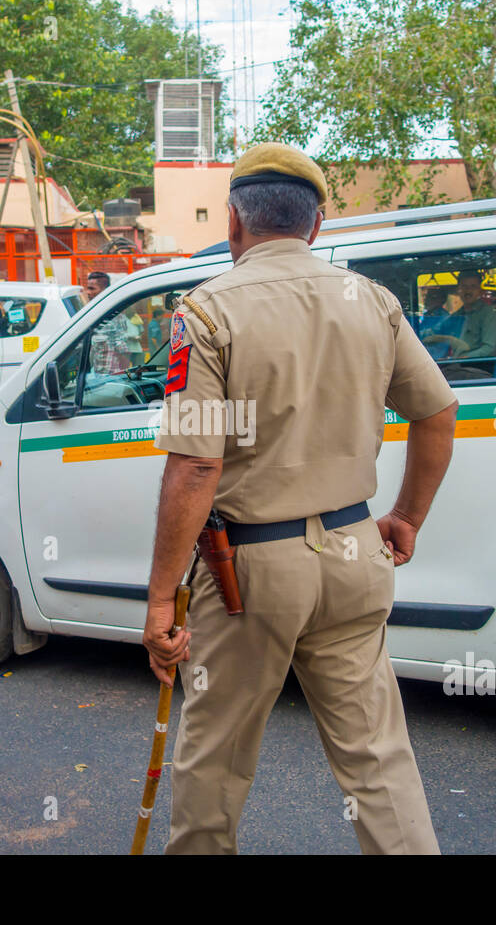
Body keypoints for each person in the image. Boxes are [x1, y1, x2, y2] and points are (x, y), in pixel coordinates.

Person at [145, 142, 459, 854]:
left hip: (249, 572)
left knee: (215, 756)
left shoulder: (205, 311)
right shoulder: (371, 301)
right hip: (356, 553)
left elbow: (197, 466)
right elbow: (437, 413)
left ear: (233, 221)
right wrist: (405, 516)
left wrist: (162, 599)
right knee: (378, 759)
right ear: (317, 224)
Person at [447, 270, 496, 358]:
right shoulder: (457, 315)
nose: (468, 291)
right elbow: (438, 330)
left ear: (480, 290)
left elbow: (489, 349)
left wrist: (464, 358)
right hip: (455, 364)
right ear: (458, 290)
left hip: (478, 367)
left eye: (473, 286)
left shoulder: (490, 314)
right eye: (464, 286)